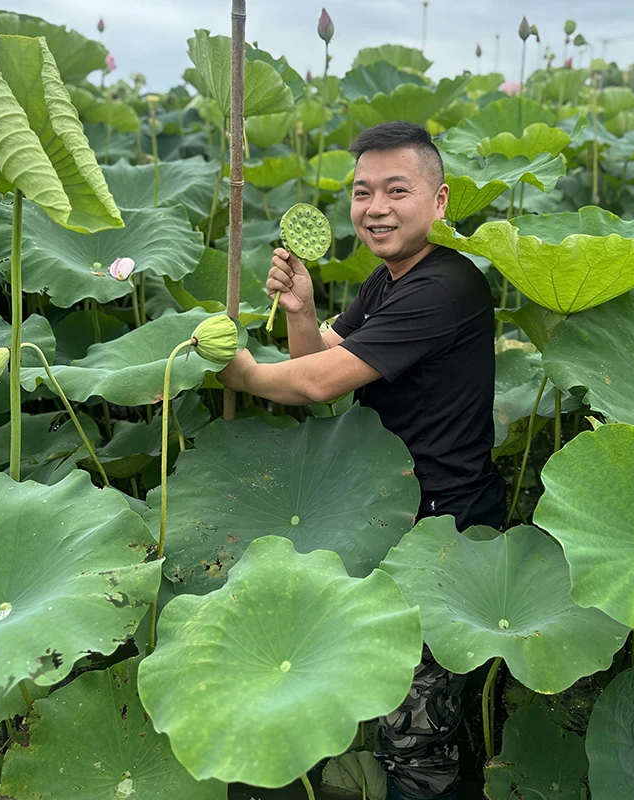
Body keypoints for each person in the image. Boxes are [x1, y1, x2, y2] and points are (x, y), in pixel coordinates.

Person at [218, 121, 507, 800]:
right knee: (386, 700)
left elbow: (316, 385)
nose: (376, 207)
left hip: (445, 528)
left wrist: (242, 373)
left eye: (396, 190)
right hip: (389, 510)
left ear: (438, 203)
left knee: (416, 729)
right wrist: (301, 308)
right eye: (363, 191)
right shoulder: (391, 280)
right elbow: (319, 358)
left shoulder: (446, 287)